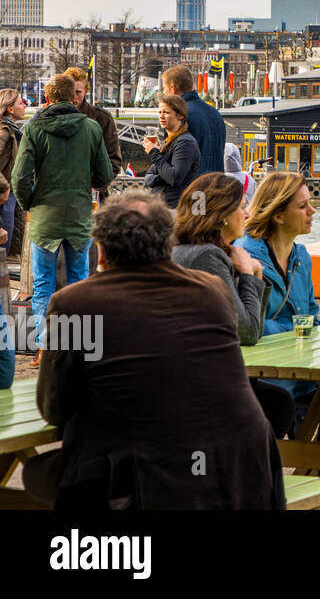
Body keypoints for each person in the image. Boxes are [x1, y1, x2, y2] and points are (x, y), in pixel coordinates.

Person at [24, 190, 284, 509]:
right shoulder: (212, 290)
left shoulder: (72, 304)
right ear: (167, 243)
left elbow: (54, 406)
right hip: (247, 473)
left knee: (49, 472)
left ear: (101, 250)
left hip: (145, 484)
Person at [172, 173, 295, 436]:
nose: (248, 214)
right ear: (222, 214)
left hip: (181, 378)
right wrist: (250, 274)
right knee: (277, 404)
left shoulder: (182, 249)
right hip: (200, 387)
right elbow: (248, 332)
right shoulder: (207, 257)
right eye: (241, 206)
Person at [11, 74, 114, 355]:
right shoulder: (92, 128)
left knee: (43, 283)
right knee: (78, 280)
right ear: (73, 97)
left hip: (45, 216)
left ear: (47, 98)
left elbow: (19, 177)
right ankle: (77, 345)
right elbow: (104, 174)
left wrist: (31, 203)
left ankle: (47, 346)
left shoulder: (34, 129)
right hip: (80, 215)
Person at [235, 172, 320, 408]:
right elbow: (246, 324)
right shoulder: (244, 256)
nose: (312, 211)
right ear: (279, 215)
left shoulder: (301, 256)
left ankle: (312, 445)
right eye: (303, 206)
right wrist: (297, 329)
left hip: (302, 366)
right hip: (265, 373)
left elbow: (312, 313)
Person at [161, 65, 226, 174]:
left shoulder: (179, 116)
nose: (163, 93)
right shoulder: (216, 114)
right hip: (216, 184)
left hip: (192, 187)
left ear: (173, 88)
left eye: (164, 88)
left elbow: (173, 164)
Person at [141, 94, 200, 207]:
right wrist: (162, 176)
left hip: (175, 207)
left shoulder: (185, 143)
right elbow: (148, 176)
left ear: (180, 116)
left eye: (167, 113)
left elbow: (174, 178)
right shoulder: (169, 142)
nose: (162, 116)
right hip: (162, 206)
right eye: (160, 112)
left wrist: (154, 152)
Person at [65, 67, 123, 176]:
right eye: (70, 92)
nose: (73, 97)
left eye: (78, 92)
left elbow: (114, 160)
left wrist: (97, 186)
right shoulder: (54, 116)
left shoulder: (102, 118)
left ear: (86, 91)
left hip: (93, 189)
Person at [0, 90, 27, 272]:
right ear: (10, 109)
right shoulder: (4, 131)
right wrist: (3, 186)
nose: (24, 105)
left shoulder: (13, 130)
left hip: (9, 196)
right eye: (20, 103)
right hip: (4, 196)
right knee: (3, 249)